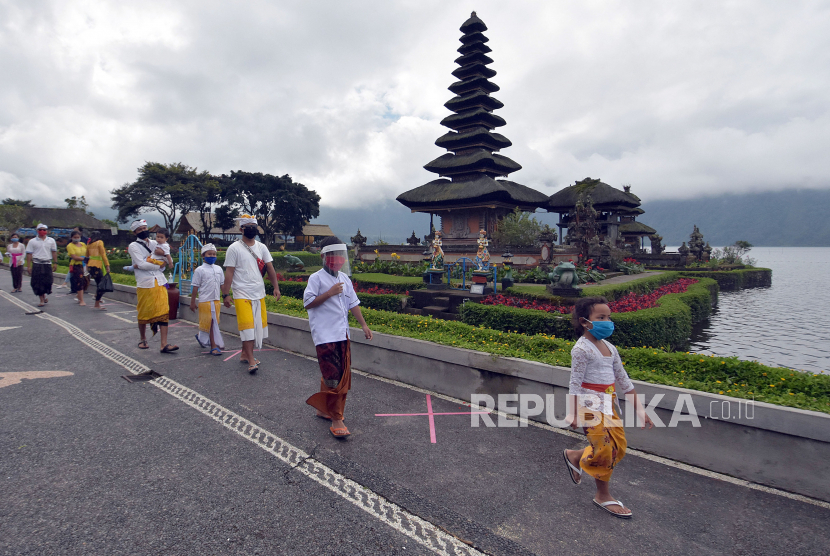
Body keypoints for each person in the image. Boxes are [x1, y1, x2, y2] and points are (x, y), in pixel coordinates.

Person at [562, 296, 653, 519]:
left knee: (619, 446)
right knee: (605, 450)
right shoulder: (581, 350)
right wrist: (573, 412)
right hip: (589, 406)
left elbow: (624, 380)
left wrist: (640, 411)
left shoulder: (610, 348)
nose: (607, 321)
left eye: (608, 317)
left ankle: (575, 456)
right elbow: (574, 383)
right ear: (585, 321)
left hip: (609, 405)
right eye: (601, 317)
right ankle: (603, 496)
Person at [303, 237, 373, 438]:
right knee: (334, 377)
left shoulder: (345, 278)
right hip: (325, 335)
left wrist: (363, 325)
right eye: (333, 256)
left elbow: (353, 303)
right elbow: (308, 303)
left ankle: (323, 409)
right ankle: (336, 418)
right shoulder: (316, 279)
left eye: (340, 256)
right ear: (324, 256)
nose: (338, 260)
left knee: (339, 374)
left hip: (342, 334)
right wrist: (329, 293)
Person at [221, 215, 280, 374]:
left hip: (258, 292)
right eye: (247, 226)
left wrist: (276, 287)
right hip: (241, 293)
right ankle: (251, 359)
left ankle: (244, 354)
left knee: (254, 326)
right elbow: (229, 272)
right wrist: (225, 294)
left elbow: (270, 268)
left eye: (253, 226)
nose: (251, 229)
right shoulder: (234, 248)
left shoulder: (262, 247)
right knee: (247, 326)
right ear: (241, 229)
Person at [128, 219, 178, 353]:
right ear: (135, 232)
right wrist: (160, 264)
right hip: (145, 283)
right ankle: (143, 338)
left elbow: (167, 255)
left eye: (145, 228)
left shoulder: (156, 242)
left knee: (163, 311)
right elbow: (141, 264)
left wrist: (164, 259)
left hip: (160, 281)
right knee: (144, 310)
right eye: (140, 229)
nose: (143, 231)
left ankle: (164, 344)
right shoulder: (133, 246)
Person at [190, 243, 225, 355]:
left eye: (214, 254)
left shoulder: (219, 269)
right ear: (203, 256)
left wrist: (225, 296)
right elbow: (195, 287)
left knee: (213, 322)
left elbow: (222, 284)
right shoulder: (200, 270)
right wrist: (192, 302)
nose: (212, 256)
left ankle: (201, 337)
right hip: (205, 300)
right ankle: (213, 346)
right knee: (210, 322)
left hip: (216, 300)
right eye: (209, 254)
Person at [25, 223, 58, 307]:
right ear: (37, 231)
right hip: (37, 263)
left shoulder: (51, 240)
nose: (42, 231)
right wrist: (28, 266)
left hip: (47, 263)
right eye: (40, 230)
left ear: (47, 231)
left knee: (48, 281)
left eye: (44, 230)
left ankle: (44, 295)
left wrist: (55, 263)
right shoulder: (32, 241)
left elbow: (54, 252)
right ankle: (41, 299)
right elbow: (29, 254)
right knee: (37, 282)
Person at [86, 231, 111, 310]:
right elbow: (103, 254)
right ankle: (96, 303)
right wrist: (107, 265)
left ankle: (98, 298)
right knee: (101, 285)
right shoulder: (99, 242)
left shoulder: (89, 244)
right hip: (97, 265)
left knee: (98, 283)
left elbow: (87, 256)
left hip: (90, 265)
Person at [66, 230, 89, 306]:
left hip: (84, 265)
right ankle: (81, 300)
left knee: (86, 281)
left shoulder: (82, 244)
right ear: (72, 237)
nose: (76, 239)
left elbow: (87, 252)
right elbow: (74, 256)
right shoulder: (70, 246)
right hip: (77, 265)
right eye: (75, 237)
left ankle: (79, 295)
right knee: (80, 281)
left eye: (78, 237)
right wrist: (83, 259)